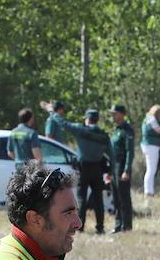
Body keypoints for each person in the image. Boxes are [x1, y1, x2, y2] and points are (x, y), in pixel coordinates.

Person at [44, 100, 110, 233]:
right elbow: (111, 154)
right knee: (98, 199)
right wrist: (111, 171)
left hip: (83, 168)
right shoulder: (103, 135)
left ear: (87, 119)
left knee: (81, 198)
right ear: (97, 120)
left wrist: (52, 111)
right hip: (98, 169)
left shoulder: (81, 130)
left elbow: (63, 123)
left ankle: (80, 227)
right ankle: (100, 227)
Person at [108, 104, 136, 232]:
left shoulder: (127, 130)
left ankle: (127, 226)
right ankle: (118, 225)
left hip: (122, 166)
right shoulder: (116, 129)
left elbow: (130, 152)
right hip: (114, 166)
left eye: (115, 113)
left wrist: (127, 170)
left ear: (122, 114)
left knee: (124, 197)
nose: (113, 116)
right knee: (116, 197)